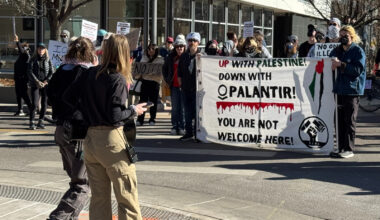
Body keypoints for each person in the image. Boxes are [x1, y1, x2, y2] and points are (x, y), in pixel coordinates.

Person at [63, 34, 146, 220]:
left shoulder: (89, 74)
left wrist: (86, 113)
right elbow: (115, 116)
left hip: (91, 140)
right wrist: (133, 110)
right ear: (124, 53)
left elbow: (67, 97)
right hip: (112, 141)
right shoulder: (116, 79)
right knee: (127, 197)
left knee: (99, 198)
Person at [46, 37, 97, 220]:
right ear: (90, 53)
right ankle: (59, 217)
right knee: (81, 185)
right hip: (79, 134)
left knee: (77, 180)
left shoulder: (61, 71)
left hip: (61, 130)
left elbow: (50, 96)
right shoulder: (87, 74)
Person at [329, 25, 366, 159]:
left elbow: (357, 70)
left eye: (346, 35)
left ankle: (349, 148)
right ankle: (340, 147)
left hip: (351, 90)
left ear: (352, 36)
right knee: (338, 120)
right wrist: (331, 64)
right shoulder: (337, 50)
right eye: (341, 35)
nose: (343, 38)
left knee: (349, 120)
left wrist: (341, 65)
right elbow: (329, 62)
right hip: (339, 89)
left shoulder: (358, 51)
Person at [178, 32, 201, 141]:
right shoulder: (183, 56)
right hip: (186, 89)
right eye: (190, 40)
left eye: (194, 41)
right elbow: (179, 73)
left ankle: (198, 134)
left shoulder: (202, 56)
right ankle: (189, 133)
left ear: (198, 42)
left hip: (198, 89)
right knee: (187, 112)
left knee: (197, 113)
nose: (192, 43)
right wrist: (181, 84)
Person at [162, 34, 186, 135]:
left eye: (181, 46)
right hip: (174, 86)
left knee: (183, 108)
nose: (179, 48)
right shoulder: (170, 57)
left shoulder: (187, 57)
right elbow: (165, 69)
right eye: (177, 46)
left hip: (185, 87)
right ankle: (175, 125)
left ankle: (182, 126)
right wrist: (168, 80)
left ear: (184, 47)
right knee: (175, 107)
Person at [27, 42, 54, 130]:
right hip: (35, 84)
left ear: (45, 50)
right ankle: (31, 122)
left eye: (42, 48)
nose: (41, 50)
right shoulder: (33, 59)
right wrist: (37, 81)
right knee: (34, 104)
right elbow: (29, 71)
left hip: (45, 84)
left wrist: (46, 81)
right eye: (39, 48)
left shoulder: (48, 60)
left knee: (44, 103)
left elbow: (51, 72)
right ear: (37, 49)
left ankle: (41, 121)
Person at [137, 43, 163, 126]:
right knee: (143, 101)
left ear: (156, 51)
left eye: (153, 49)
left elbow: (161, 72)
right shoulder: (143, 58)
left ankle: (152, 119)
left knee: (153, 102)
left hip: (155, 83)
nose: (151, 51)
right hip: (145, 81)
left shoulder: (160, 59)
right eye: (149, 49)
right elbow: (139, 70)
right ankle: (140, 119)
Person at [13, 34, 32, 116]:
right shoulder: (20, 56)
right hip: (18, 78)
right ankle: (20, 109)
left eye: (24, 47)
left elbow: (21, 51)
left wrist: (17, 42)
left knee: (24, 94)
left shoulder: (26, 55)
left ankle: (31, 108)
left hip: (23, 79)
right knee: (18, 94)